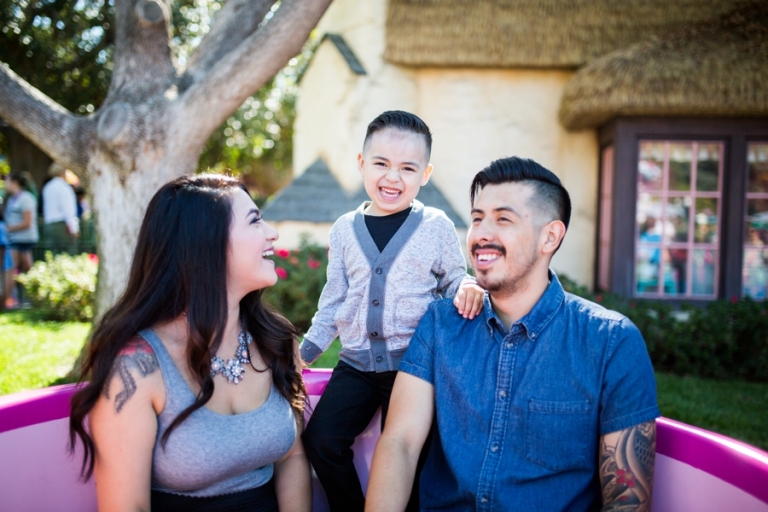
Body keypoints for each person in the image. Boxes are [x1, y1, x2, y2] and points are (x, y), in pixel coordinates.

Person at [366, 157, 660, 511]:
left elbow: (625, 500)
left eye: (503, 219)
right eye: (477, 218)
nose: (481, 234)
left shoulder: (610, 342)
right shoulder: (441, 324)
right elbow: (400, 442)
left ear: (549, 236)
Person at [69, 174, 310, 511]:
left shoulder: (274, 342)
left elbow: (293, 457)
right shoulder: (137, 368)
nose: (272, 233)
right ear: (206, 244)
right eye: (255, 221)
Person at [299, 110, 485, 511]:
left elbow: (454, 279)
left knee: (412, 458)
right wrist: (305, 352)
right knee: (321, 440)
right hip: (356, 364)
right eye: (381, 163)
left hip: (414, 366)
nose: (392, 177)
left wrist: (468, 286)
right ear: (362, 164)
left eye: (407, 168)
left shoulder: (435, 225)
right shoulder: (344, 229)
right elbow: (334, 299)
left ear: (425, 174)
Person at [3, 171, 39, 309]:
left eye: (7, 181)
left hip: (22, 239)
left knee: (11, 270)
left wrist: (8, 229)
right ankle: (36, 298)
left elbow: (27, 222)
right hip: (15, 239)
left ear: (14, 183)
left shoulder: (26, 199)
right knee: (28, 268)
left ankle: (5, 301)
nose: (5, 184)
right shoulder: (13, 199)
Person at [42, 162, 79, 254]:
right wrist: (74, 228)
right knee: (67, 253)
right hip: (61, 225)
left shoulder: (47, 187)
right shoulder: (64, 187)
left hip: (49, 224)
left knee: (54, 253)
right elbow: (68, 209)